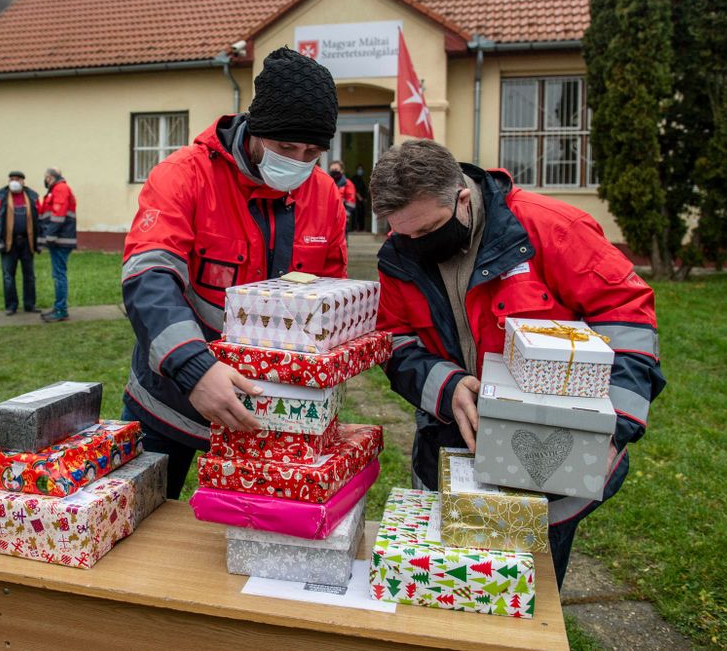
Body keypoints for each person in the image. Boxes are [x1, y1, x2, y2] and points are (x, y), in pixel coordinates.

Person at [372, 139, 665, 587]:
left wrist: (615, 426)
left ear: (463, 199)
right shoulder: (398, 255)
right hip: (450, 443)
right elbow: (395, 339)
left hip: (553, 453)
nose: (414, 244)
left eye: (427, 230)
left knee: (532, 594)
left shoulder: (551, 228)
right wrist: (447, 388)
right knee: (452, 588)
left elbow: (628, 318)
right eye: (402, 233)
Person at [121, 47, 348, 498]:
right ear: (256, 129)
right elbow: (150, 277)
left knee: (256, 532)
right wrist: (194, 369)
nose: (299, 162)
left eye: (313, 152)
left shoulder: (324, 194)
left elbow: (331, 297)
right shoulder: (184, 176)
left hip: (272, 411)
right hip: (171, 400)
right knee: (143, 522)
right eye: (286, 148)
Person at [0, 170, 42, 315]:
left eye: (17, 179)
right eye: (11, 179)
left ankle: (30, 305)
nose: (14, 182)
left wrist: (39, 241)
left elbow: (40, 219)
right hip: (8, 243)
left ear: (23, 181)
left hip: (27, 242)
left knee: (29, 276)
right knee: (8, 276)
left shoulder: (33, 196)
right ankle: (11, 306)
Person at [40, 167, 76, 322]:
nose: (45, 180)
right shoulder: (57, 189)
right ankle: (58, 307)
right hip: (59, 239)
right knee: (58, 274)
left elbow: (58, 214)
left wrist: (50, 236)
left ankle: (61, 310)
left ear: (50, 177)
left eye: (46, 177)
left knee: (59, 275)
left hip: (60, 240)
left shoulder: (60, 189)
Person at [328, 159, 357, 235]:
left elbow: (351, 203)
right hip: (327, 220)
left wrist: (343, 216)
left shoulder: (347, 184)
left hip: (341, 220)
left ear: (342, 170)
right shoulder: (327, 183)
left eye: (336, 169)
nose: (334, 171)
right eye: (332, 170)